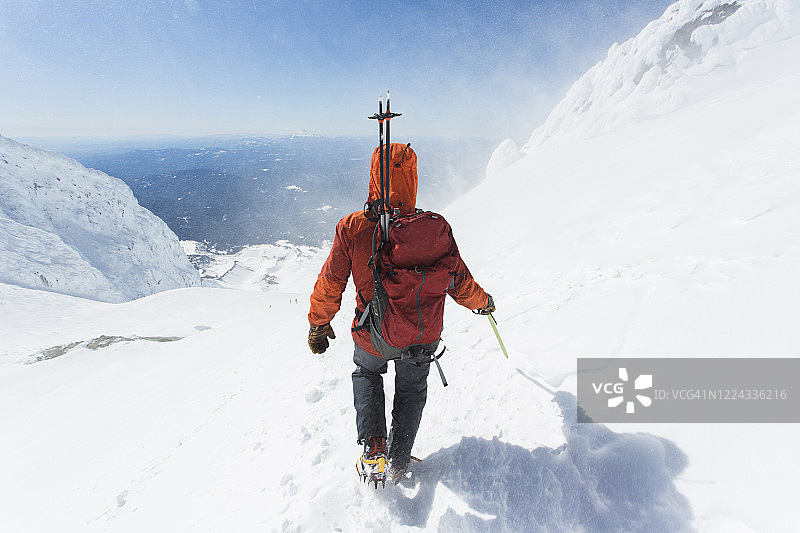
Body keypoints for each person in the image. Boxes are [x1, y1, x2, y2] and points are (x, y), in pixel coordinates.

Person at [307, 143, 494, 483]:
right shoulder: (432, 228)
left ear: (374, 177)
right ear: (412, 178)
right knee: (410, 390)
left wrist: (319, 324)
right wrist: (483, 303)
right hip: (421, 335)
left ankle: (375, 449)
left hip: (374, 333)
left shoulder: (353, 227)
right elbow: (458, 280)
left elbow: (331, 282)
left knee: (367, 374)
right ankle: (399, 459)